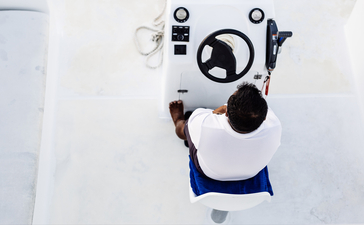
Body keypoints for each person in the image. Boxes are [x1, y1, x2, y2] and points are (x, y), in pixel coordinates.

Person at [169, 82, 282, 181]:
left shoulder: (203, 124)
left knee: (184, 129)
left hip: (210, 174)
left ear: (226, 112)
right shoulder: (274, 126)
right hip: (249, 174)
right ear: (265, 118)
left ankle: (178, 119)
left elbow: (185, 131)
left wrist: (219, 109)